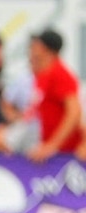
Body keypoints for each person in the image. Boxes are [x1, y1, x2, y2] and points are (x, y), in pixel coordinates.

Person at [26, 28, 82, 162]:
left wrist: (52, 146)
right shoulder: (42, 74)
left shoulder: (60, 75)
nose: (32, 49)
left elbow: (74, 113)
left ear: (45, 48)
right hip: (49, 151)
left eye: (37, 45)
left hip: (65, 154)